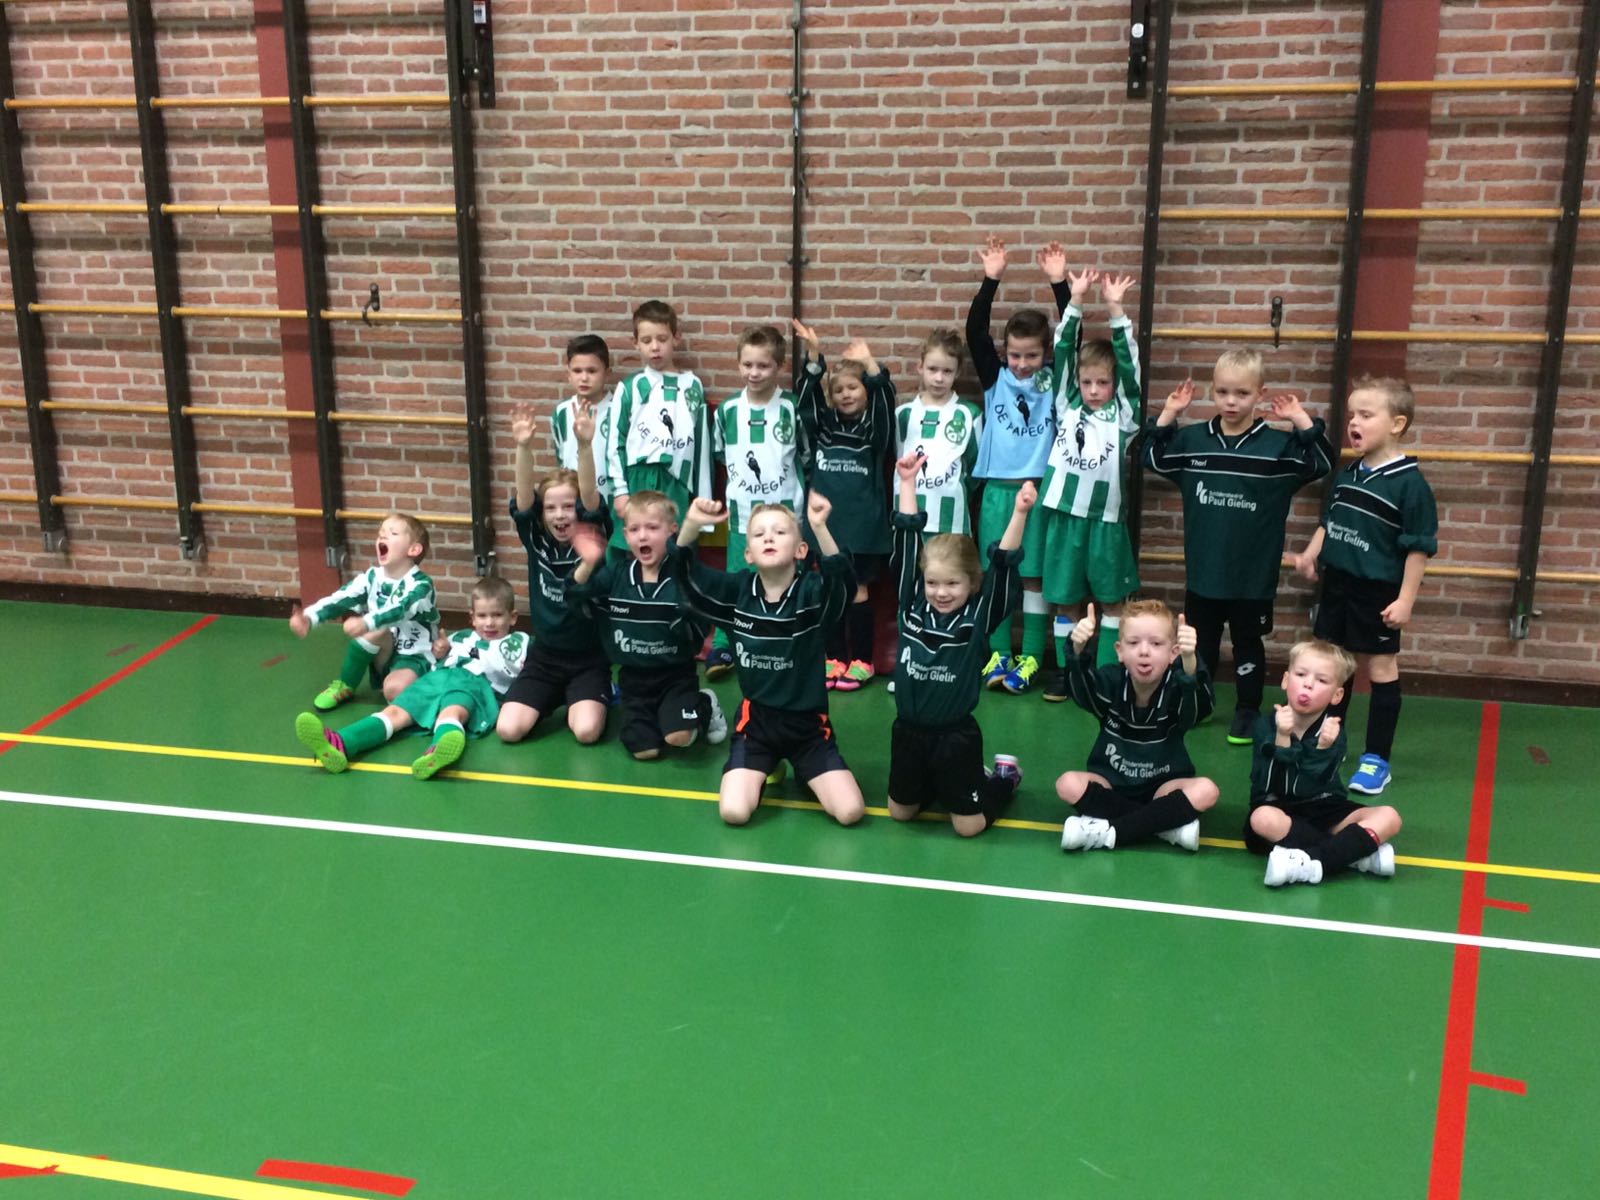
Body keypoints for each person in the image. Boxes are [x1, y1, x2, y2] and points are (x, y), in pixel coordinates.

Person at [1143, 352, 1335, 744]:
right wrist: (1169, 413)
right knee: (1201, 644)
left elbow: (1323, 462)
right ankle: (1198, 703)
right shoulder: (1193, 441)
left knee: (1248, 644)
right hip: (1204, 571)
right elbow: (1149, 456)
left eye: (1243, 393)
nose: (1231, 401)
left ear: (1260, 394)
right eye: (1223, 392)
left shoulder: (1278, 448)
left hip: (1253, 576)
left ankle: (1247, 710)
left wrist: (1300, 419)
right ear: (1212, 391)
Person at [673, 491, 864, 827]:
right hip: (756, 726)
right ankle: (766, 764)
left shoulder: (811, 593)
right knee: (734, 812)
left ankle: (806, 771)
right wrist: (690, 526)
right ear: (748, 553)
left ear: (801, 550)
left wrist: (819, 527)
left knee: (850, 812)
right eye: (759, 534)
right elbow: (686, 579)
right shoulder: (737, 594)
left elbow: (844, 587)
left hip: (807, 729)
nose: (769, 538)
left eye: (780, 531)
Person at [1292, 376, 1438, 795]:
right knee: (1332, 667)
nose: (1354, 423)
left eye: (1366, 415)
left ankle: (1376, 759)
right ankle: (1327, 741)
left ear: (1397, 424)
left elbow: (1418, 549)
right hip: (1337, 585)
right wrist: (1311, 553)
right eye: (1352, 414)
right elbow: (1330, 521)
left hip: (1377, 592)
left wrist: (1405, 600)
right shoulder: (1348, 472)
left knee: (1380, 669)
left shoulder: (1410, 485)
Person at [887, 449, 1030, 837]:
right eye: (933, 582)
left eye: (952, 583)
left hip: (955, 737)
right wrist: (907, 482)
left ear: (972, 583)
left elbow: (1004, 562)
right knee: (900, 813)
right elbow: (907, 536)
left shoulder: (978, 615)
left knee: (968, 827)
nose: (941, 592)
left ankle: (1003, 778)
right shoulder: (911, 604)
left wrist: (1019, 512)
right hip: (908, 733)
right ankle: (939, 781)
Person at [965, 235, 1073, 693]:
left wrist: (1059, 284)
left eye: (1031, 355)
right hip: (998, 492)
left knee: (1033, 580)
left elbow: (1073, 336)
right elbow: (975, 333)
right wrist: (991, 279)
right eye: (1015, 355)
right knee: (997, 575)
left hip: (1039, 490)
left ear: (1046, 352)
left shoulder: (1055, 379)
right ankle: (998, 655)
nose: (1023, 364)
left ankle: (1030, 658)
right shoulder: (996, 379)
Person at [293, 574, 529, 780]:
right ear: (472, 617)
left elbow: (523, 672)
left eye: (497, 615)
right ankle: (342, 743)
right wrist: (442, 651)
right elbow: (439, 658)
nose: (489, 622)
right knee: (395, 711)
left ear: (513, 617)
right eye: (482, 616)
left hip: (474, 684)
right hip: (438, 679)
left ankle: (438, 751)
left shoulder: (519, 641)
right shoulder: (461, 637)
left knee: (452, 711)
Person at [1039, 268, 1143, 700]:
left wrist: (1116, 310)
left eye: (1103, 383)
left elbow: (1130, 368)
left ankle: (1105, 675)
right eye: (1087, 382)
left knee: (1112, 602)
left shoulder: (1124, 418)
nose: (1094, 390)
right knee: (1065, 601)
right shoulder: (1067, 405)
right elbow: (1064, 351)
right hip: (1065, 516)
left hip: (1106, 521)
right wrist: (1076, 302)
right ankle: (1068, 672)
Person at [568, 489, 728, 759]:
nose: (643, 536)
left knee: (678, 737)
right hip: (634, 680)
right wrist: (588, 563)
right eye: (634, 529)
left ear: (672, 530)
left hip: (676, 676)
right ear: (626, 535)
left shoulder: (683, 576)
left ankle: (705, 703)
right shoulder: (616, 575)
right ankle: (658, 716)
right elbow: (574, 596)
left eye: (652, 528)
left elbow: (700, 630)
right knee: (646, 751)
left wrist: (684, 623)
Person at [1056, 598, 1219, 853]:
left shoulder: (1177, 686)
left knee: (1207, 790)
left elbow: (1198, 711)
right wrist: (1077, 650)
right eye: (1133, 643)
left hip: (1163, 789)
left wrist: (1190, 665)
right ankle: (1164, 826)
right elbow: (1081, 693)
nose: (1144, 651)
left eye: (1156, 643)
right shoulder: (1112, 680)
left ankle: (1109, 832)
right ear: (1119, 651)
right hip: (1111, 785)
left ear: (1173, 652)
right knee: (1067, 784)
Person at [498, 400, 613, 746]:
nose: (560, 515)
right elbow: (523, 499)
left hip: (589, 658)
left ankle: (589, 696)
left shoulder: (590, 532)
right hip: (545, 657)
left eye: (567, 506)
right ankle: (554, 695)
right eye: (551, 507)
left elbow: (590, 497)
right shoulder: (536, 539)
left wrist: (584, 446)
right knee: (508, 730)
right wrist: (523, 446)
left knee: (586, 732)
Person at [790, 321, 895, 692]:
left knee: (857, 592)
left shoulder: (873, 431)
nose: (846, 395)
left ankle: (863, 661)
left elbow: (886, 405)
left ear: (865, 390)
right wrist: (813, 357)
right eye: (838, 390)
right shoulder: (824, 427)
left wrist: (871, 365)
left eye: (853, 388)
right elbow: (806, 402)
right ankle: (834, 657)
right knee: (828, 591)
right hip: (825, 529)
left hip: (863, 531)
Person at [1246, 639, 1402, 886]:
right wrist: (1282, 737)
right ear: (1286, 680)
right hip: (1280, 808)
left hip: (1324, 807)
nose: (1308, 684)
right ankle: (1352, 855)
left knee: (1389, 816)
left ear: (1337, 695)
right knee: (1262, 819)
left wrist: (1323, 748)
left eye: (1321, 680)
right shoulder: (1265, 725)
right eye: (1301, 674)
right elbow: (1279, 784)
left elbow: (1313, 784)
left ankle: (1309, 863)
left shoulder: (1333, 732)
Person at [706, 323, 806, 681]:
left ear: (779, 366)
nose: (754, 372)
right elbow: (720, 454)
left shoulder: (792, 407)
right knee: (738, 579)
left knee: (790, 579)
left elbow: (805, 456)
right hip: (742, 515)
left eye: (763, 365)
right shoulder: (728, 410)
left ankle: (792, 640)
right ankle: (724, 643)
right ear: (738, 364)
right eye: (747, 364)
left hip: (787, 514)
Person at [288, 512, 438, 711]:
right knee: (376, 632)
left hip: (415, 657)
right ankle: (345, 685)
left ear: (414, 549)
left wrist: (366, 622)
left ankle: (424, 687)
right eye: (381, 533)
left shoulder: (421, 585)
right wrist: (310, 617)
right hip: (387, 653)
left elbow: (399, 609)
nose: (382, 536)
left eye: (393, 533)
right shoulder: (371, 577)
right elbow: (341, 598)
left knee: (394, 690)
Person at [604, 299, 712, 554]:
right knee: (633, 549)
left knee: (676, 551)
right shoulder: (629, 387)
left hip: (676, 482)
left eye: (662, 339)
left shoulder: (692, 385)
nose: (655, 347)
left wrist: (703, 497)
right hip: (637, 479)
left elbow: (702, 446)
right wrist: (620, 490)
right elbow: (615, 442)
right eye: (646, 340)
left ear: (676, 338)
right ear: (635, 343)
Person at [893, 328, 982, 537]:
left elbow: (975, 469)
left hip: (951, 521)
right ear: (920, 367)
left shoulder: (968, 414)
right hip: (907, 515)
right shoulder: (903, 415)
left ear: (957, 372)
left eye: (947, 371)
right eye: (932, 369)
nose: (939, 378)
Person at [550, 333, 615, 506]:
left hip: (610, 503)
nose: (584, 378)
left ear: (607, 373)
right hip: (572, 504)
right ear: (568, 374)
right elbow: (561, 459)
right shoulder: (561, 412)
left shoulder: (618, 409)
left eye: (592, 371)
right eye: (577, 371)